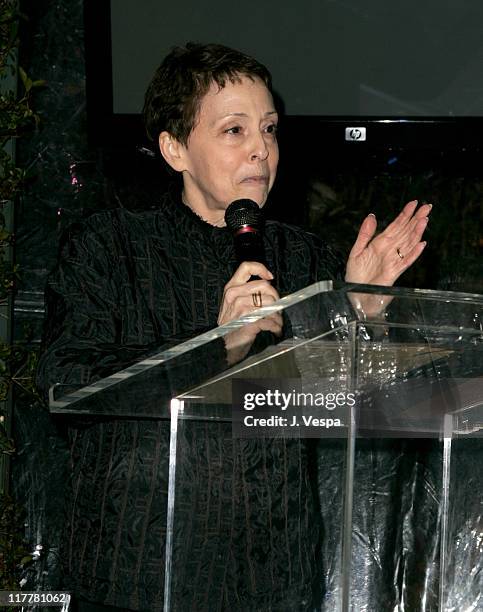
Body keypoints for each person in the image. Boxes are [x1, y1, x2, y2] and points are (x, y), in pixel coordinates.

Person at [36, 43, 431, 611]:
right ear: (175, 149)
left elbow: (339, 404)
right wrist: (217, 346)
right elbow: (67, 382)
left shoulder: (305, 259)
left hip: (275, 578)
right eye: (234, 131)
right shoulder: (110, 245)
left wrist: (356, 317)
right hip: (140, 575)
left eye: (269, 130)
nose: (260, 152)